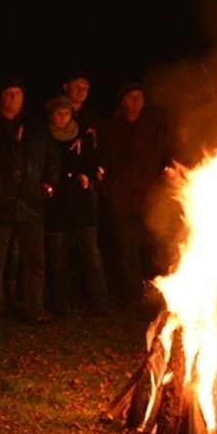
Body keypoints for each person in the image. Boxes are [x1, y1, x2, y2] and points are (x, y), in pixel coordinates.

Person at [0, 74, 60, 326]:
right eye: (9, 93)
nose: (14, 98)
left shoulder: (36, 128)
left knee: (35, 261)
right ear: (0, 97)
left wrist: (48, 184)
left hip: (31, 204)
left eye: (18, 94)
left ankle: (33, 308)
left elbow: (53, 158)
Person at [98, 80, 173, 299]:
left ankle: (162, 295)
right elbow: (102, 158)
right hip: (123, 199)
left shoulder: (156, 123)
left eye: (139, 95)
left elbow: (170, 148)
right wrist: (108, 185)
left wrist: (169, 167)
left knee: (157, 249)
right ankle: (135, 296)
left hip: (151, 199)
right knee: (128, 252)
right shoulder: (111, 127)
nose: (136, 100)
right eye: (131, 96)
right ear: (123, 102)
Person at [44, 94, 108, 316]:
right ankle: (61, 304)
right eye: (58, 114)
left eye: (66, 113)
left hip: (81, 204)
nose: (63, 118)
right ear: (51, 116)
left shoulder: (82, 135)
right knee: (58, 258)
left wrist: (87, 176)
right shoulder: (44, 136)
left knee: (91, 255)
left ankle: (99, 302)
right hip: (56, 205)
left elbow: (92, 162)